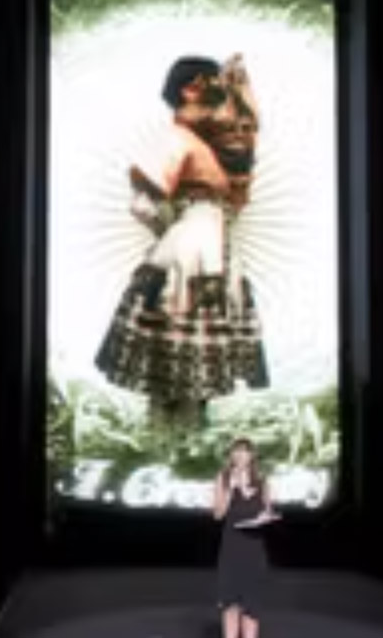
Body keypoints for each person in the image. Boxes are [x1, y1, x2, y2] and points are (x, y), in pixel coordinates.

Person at [94, 54, 269, 433]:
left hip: (210, 251)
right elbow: (142, 203)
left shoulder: (202, 142)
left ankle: (186, 444)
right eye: (214, 88)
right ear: (191, 90)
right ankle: (168, 440)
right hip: (190, 252)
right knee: (174, 361)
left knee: (196, 360)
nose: (222, 99)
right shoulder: (177, 139)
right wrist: (172, 232)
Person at [213, 438, 275, 638]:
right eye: (236, 451)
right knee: (230, 603)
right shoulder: (222, 477)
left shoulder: (262, 480)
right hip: (232, 548)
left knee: (252, 605)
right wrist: (231, 489)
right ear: (231, 455)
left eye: (245, 452)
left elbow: (268, 510)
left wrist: (265, 517)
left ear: (252, 456)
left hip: (254, 548)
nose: (240, 456)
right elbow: (217, 514)